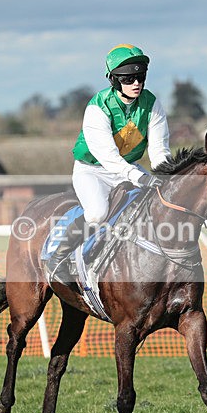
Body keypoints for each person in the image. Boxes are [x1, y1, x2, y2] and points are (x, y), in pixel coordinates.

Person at [47, 44, 172, 283]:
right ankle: (58, 258)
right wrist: (139, 177)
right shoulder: (98, 106)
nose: (136, 83)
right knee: (97, 213)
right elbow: (108, 157)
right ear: (114, 80)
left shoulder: (151, 103)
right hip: (92, 170)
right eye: (128, 78)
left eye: (140, 77)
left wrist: (166, 177)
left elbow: (159, 150)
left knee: (159, 203)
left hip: (128, 168)